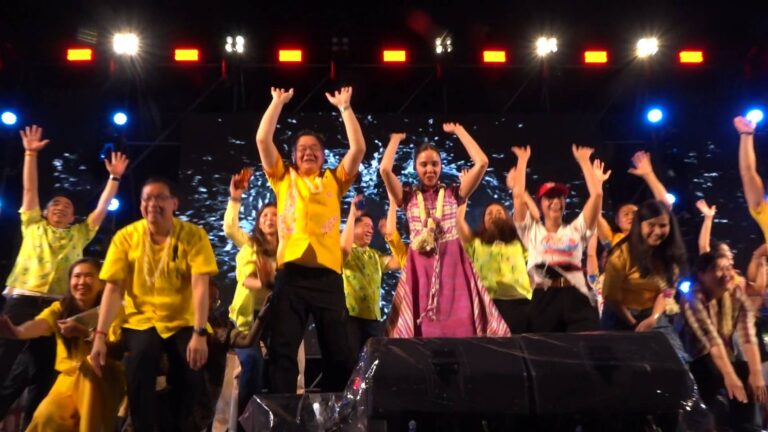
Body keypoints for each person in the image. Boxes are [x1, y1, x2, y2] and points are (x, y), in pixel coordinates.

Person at [0, 125, 128, 424]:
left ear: (73, 217)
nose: (60, 207)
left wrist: (114, 178)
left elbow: (101, 208)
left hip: (56, 305)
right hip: (22, 298)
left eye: (67, 206)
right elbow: (29, 191)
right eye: (55, 204)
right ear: (45, 212)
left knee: (43, 372)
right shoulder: (33, 225)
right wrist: (30, 154)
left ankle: (34, 425)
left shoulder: (79, 234)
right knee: (4, 361)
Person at [255, 86, 365, 393]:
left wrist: (345, 108)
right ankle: (283, 413)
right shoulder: (282, 177)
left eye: (314, 148)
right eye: (302, 148)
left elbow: (358, 149)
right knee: (283, 350)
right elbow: (263, 140)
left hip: (327, 277)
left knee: (339, 354)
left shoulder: (334, 180)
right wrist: (277, 102)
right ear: (293, 155)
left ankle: (336, 412)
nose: (308, 152)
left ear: (323, 155)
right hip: (290, 276)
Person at [89, 177, 219, 431]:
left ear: (174, 203)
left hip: (183, 319)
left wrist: (199, 332)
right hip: (141, 319)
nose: (152, 203)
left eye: (160, 197)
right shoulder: (125, 237)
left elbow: (200, 286)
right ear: (140, 205)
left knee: (191, 372)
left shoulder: (194, 235)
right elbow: (113, 290)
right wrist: (100, 336)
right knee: (142, 357)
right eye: (147, 198)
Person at [380, 128, 509, 338]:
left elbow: (482, 162)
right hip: (421, 269)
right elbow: (385, 170)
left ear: (441, 166)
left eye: (435, 164)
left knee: (462, 328)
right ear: (415, 167)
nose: (430, 169)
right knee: (424, 333)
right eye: (424, 165)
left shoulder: (453, 193)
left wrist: (459, 131)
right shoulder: (408, 197)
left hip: (453, 267)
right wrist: (395, 140)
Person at [0, 258, 124, 431]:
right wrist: (17, 332)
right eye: (77, 276)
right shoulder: (60, 308)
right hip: (67, 381)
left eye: (89, 276)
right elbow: (40, 325)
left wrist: (84, 333)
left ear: (102, 283)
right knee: (47, 416)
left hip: (102, 379)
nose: (81, 282)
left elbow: (118, 351)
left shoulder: (114, 310)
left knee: (90, 368)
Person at [510, 144, 607, 333]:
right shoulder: (531, 231)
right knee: (545, 348)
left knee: (586, 345)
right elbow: (518, 196)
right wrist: (522, 161)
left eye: (560, 197)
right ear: (540, 204)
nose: (556, 202)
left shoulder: (576, 229)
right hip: (544, 296)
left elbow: (597, 195)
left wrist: (584, 161)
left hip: (576, 295)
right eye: (549, 198)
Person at [678, 252, 766, 431]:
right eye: (718, 269)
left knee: (746, 372)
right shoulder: (693, 298)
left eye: (728, 268)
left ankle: (749, 427)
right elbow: (712, 341)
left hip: (719, 357)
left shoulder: (736, 293)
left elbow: (748, 335)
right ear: (702, 275)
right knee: (711, 371)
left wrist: (756, 374)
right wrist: (730, 377)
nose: (726, 273)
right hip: (691, 361)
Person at [601, 200, 688, 333]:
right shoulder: (621, 253)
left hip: (652, 313)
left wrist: (654, 318)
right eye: (651, 225)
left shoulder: (670, 254)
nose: (657, 231)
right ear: (639, 225)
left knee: (672, 346)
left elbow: (667, 291)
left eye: (663, 225)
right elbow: (611, 297)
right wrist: (634, 324)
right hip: (620, 315)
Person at [457, 197, 531, 333]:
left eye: (499, 212)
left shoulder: (519, 241)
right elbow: (458, 220)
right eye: (489, 213)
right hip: (487, 304)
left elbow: (521, 208)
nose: (494, 216)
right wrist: (463, 195)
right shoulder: (476, 243)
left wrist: (518, 192)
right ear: (483, 221)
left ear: (507, 217)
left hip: (520, 302)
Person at [341, 196, 399, 352]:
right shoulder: (348, 253)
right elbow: (343, 249)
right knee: (350, 360)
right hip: (351, 318)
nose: (371, 230)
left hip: (373, 320)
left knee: (372, 360)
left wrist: (390, 236)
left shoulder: (375, 256)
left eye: (372, 228)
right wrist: (352, 215)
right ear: (354, 228)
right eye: (366, 225)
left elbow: (400, 261)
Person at [596, 151, 671, 247]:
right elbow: (596, 217)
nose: (631, 216)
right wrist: (597, 184)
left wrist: (649, 175)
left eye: (635, 213)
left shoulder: (652, 236)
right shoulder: (611, 241)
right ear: (617, 221)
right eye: (626, 214)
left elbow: (665, 206)